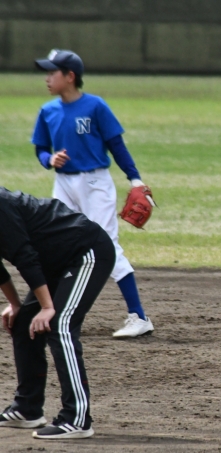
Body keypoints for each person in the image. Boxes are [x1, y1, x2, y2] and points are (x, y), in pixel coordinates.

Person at [31, 49, 154, 338]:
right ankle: (53, 312)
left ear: (70, 76)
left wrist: (135, 179)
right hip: (63, 184)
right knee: (57, 244)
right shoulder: (48, 111)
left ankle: (139, 317)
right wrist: (49, 159)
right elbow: (40, 149)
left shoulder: (95, 106)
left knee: (107, 245)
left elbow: (116, 145)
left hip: (95, 184)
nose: (47, 78)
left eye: (53, 72)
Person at [0, 187, 116, 439]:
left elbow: (24, 256)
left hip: (86, 252)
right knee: (23, 324)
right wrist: (16, 304)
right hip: (55, 261)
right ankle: (27, 408)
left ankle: (77, 419)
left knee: (61, 325)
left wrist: (46, 307)